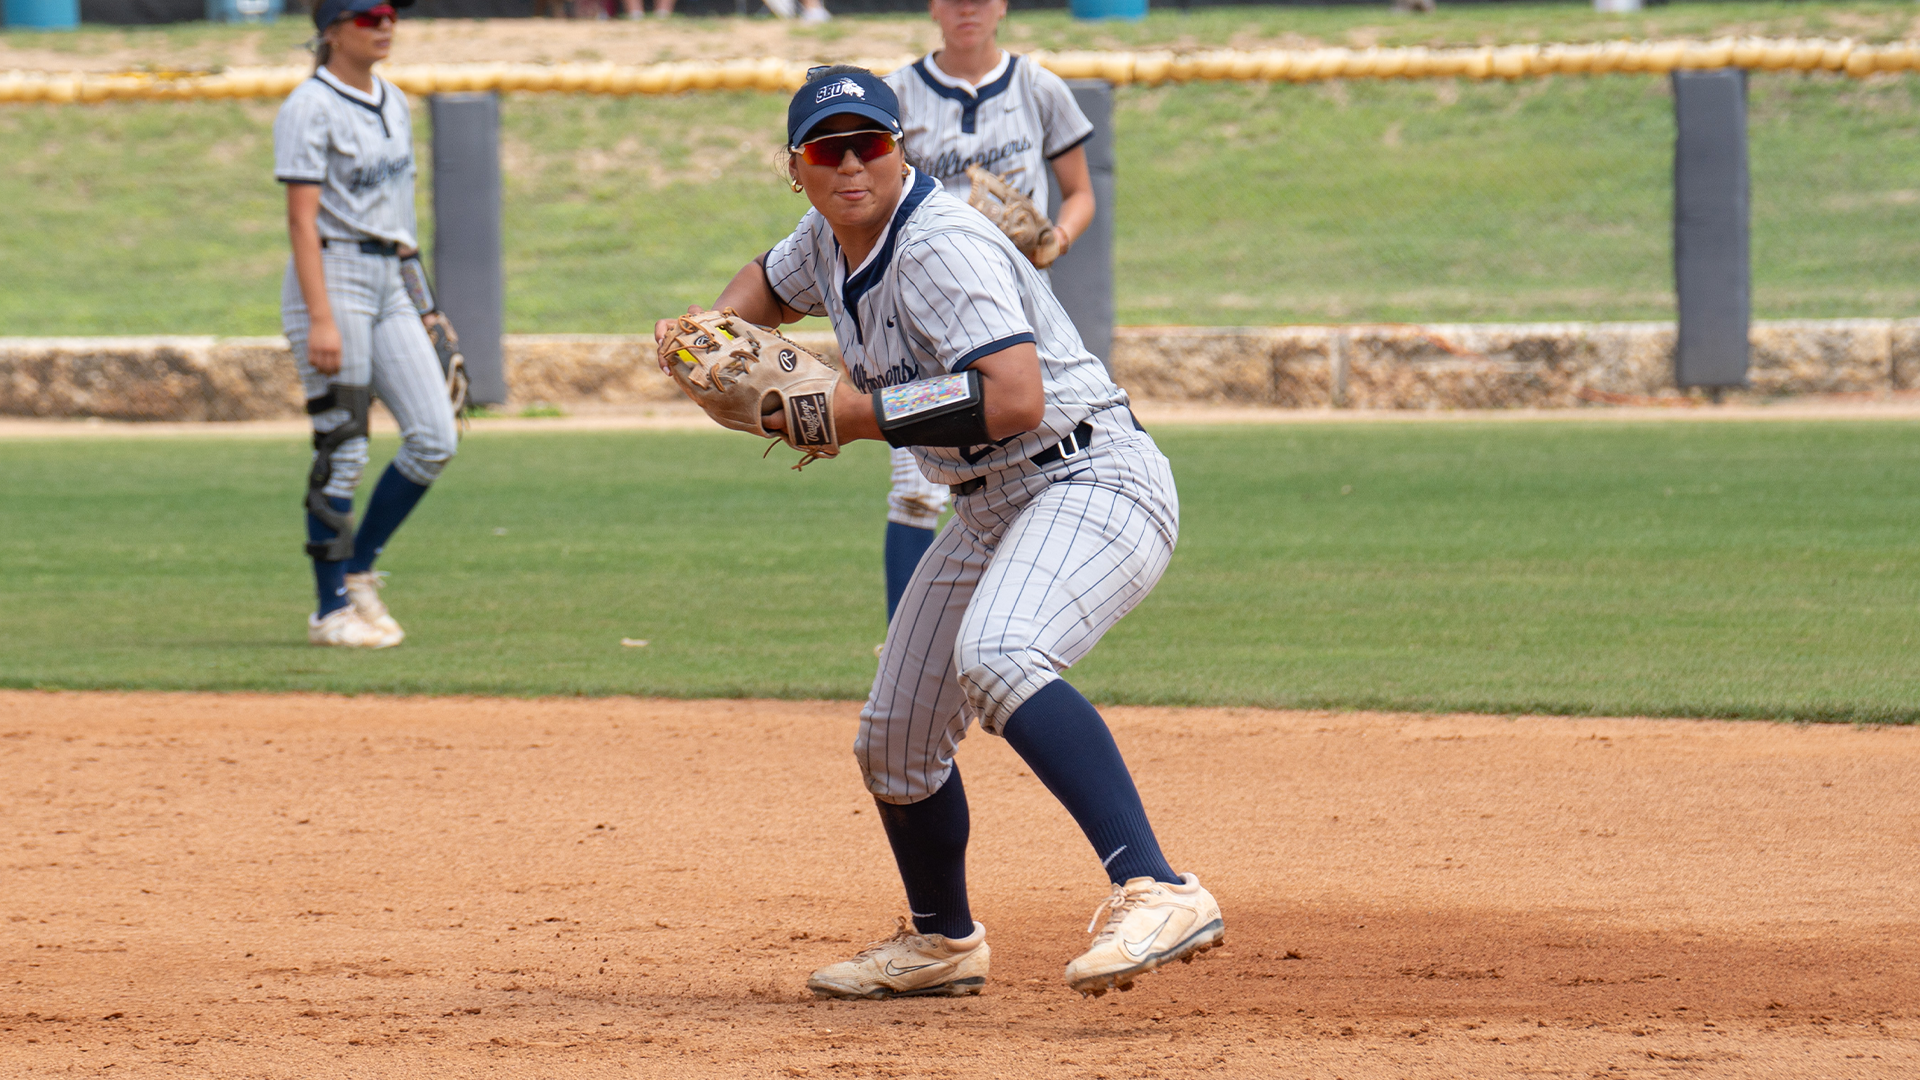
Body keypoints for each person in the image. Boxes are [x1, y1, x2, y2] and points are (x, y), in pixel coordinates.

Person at [655, 67, 1221, 999]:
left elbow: (1015, 396)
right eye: (827, 149)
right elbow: (766, 282)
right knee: (895, 742)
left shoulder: (938, 245)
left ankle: (1159, 888)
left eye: (869, 143)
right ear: (795, 167)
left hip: (1089, 475)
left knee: (1000, 653)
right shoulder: (825, 236)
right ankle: (942, 943)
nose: (850, 165)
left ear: (900, 149)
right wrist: (707, 330)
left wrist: (854, 413)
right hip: (987, 504)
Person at [873, 0, 1097, 624]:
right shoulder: (896, 94)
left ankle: (1014, 631)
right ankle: (905, 648)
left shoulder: (1038, 87)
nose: (966, 6)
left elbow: (1080, 192)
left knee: (1035, 473)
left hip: (1018, 321)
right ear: (932, 6)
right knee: (915, 489)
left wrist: (1057, 238)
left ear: (1002, 5)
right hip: (924, 319)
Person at [274, 0, 458, 648]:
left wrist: (426, 305)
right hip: (334, 277)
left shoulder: (394, 100)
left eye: (390, 14)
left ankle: (358, 571)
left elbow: (401, 222)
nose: (385, 24)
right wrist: (320, 317)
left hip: (391, 280)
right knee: (344, 445)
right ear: (331, 30)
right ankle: (330, 612)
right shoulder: (309, 105)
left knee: (434, 438)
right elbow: (301, 220)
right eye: (367, 15)